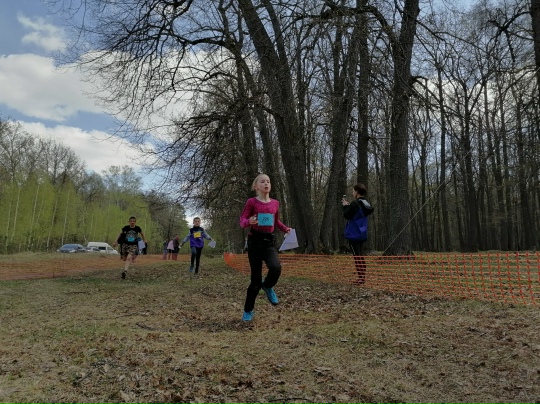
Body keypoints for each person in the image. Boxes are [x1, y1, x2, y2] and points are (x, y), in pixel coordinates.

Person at [239, 173, 291, 322]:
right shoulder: (251, 202)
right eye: (262, 181)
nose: (266, 183)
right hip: (254, 242)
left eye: (268, 181)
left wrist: (285, 229)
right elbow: (242, 221)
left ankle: (268, 286)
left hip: (269, 242)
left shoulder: (275, 203)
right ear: (256, 186)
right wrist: (249, 221)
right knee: (255, 281)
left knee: (275, 267)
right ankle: (248, 311)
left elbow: (276, 221)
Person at [342, 183, 374, 285]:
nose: (352, 193)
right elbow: (355, 213)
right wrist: (349, 206)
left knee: (357, 256)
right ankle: (362, 276)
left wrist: (345, 207)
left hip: (354, 233)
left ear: (357, 192)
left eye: (353, 191)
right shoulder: (366, 203)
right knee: (360, 255)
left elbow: (346, 215)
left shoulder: (355, 203)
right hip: (362, 233)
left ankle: (361, 278)